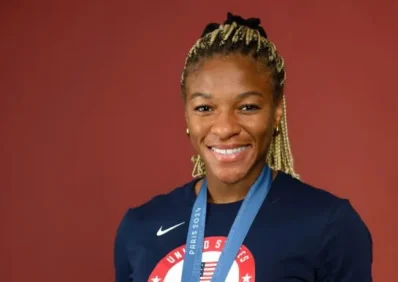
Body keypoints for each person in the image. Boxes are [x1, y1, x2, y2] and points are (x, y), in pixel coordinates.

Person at [114, 12, 373, 282]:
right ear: (186, 116)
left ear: (276, 113)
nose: (225, 128)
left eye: (247, 107)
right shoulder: (140, 227)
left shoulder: (328, 225)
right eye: (205, 108)